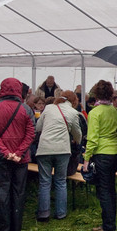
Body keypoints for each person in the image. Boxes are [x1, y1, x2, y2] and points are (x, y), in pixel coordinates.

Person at [0, 77, 35, 231]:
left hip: (1, 158)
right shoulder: (26, 109)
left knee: (2, 191)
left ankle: (4, 229)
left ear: (2, 89)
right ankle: (16, 227)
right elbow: (31, 134)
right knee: (18, 192)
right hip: (21, 158)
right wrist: (19, 153)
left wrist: (5, 152)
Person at [34, 92, 81, 222]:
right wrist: (75, 140)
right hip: (62, 150)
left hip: (44, 149)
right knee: (60, 181)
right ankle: (60, 213)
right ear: (74, 101)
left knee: (45, 181)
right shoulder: (73, 112)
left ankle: (43, 213)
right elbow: (78, 134)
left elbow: (38, 127)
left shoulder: (48, 108)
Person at [83, 81, 117, 231]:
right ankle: (109, 222)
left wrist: (86, 159)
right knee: (111, 189)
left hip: (102, 153)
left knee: (104, 190)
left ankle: (108, 226)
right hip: (115, 152)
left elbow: (92, 138)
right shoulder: (114, 110)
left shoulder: (95, 112)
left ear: (95, 94)